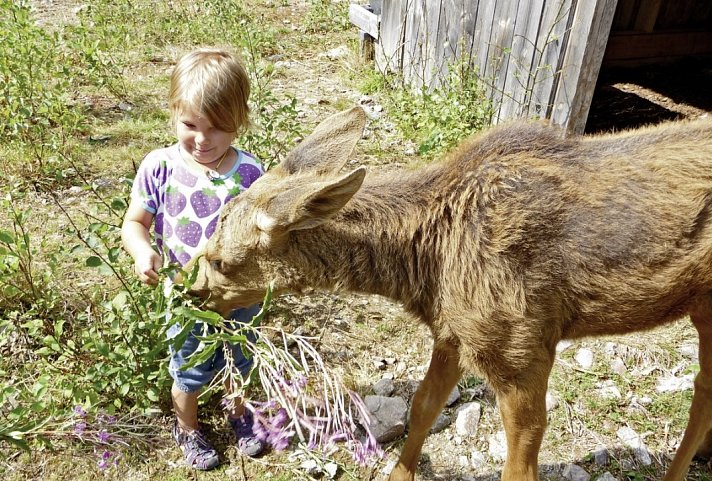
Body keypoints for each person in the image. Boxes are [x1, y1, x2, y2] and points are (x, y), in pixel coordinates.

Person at [121, 48, 267, 470]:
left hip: (239, 295)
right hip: (186, 296)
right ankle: (187, 427)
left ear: (239, 121)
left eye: (217, 128)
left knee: (240, 356)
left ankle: (238, 413)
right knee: (189, 366)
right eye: (190, 125)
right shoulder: (160, 167)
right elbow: (134, 223)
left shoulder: (250, 174)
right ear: (173, 114)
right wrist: (143, 251)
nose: (202, 140)